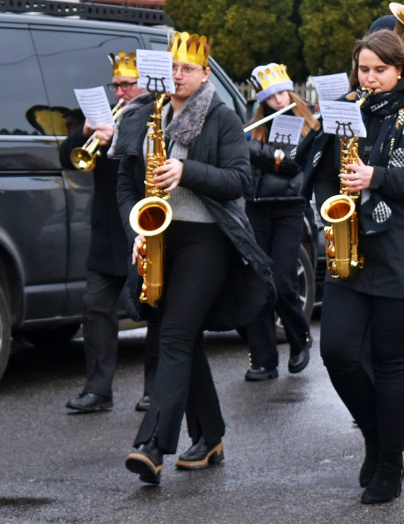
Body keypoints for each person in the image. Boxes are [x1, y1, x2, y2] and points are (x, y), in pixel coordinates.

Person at [300, 29, 404, 504]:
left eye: (379, 71)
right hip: (353, 247)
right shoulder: (347, 112)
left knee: (390, 365)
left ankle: (390, 464)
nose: (369, 79)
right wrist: (332, 208)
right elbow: (324, 177)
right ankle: (377, 438)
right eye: (363, 70)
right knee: (339, 353)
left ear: (400, 70)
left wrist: (377, 177)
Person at [118, 32, 275, 485]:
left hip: (208, 239)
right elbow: (126, 183)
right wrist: (136, 229)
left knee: (173, 335)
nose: (178, 76)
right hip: (163, 237)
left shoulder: (222, 117)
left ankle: (152, 445)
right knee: (179, 337)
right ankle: (210, 434)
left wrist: (187, 172)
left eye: (188, 69)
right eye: (172, 68)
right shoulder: (148, 116)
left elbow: (240, 180)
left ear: (206, 73)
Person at [61, 52, 157, 413]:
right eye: (115, 85)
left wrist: (117, 139)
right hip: (105, 231)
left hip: (141, 228)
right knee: (95, 310)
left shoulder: (156, 115)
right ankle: (98, 389)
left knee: (152, 311)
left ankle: (154, 389)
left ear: (145, 84)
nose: (119, 93)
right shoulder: (102, 119)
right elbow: (65, 158)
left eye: (126, 85)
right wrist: (83, 134)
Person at [239, 63, 318, 381]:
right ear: (263, 100)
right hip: (257, 209)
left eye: (285, 93)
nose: (280, 100)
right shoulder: (256, 125)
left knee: (284, 281)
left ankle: (300, 341)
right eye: (273, 96)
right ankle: (262, 359)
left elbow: (291, 163)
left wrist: (255, 150)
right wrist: (251, 147)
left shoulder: (306, 125)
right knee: (258, 284)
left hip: (289, 208)